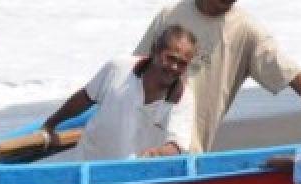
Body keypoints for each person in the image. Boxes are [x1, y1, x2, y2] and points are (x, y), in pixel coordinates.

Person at [134, 0, 301, 153]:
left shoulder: (246, 29)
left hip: (190, 146)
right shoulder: (172, 14)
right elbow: (136, 66)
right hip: (142, 132)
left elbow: (291, 72)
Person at [40, 25, 197, 161]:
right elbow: (85, 98)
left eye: (182, 63)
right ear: (155, 51)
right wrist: (50, 124)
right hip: (89, 161)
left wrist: (156, 154)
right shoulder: (118, 67)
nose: (175, 67)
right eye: (170, 58)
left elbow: (177, 145)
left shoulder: (184, 98)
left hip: (133, 176)